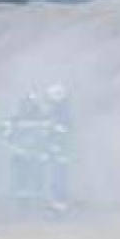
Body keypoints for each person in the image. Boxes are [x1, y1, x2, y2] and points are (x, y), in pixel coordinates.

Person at [41, 83, 74, 215]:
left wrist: (52, 129)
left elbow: (65, 131)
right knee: (56, 179)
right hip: (56, 152)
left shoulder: (62, 112)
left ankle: (60, 207)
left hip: (61, 153)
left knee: (59, 180)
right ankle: (57, 206)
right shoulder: (56, 111)